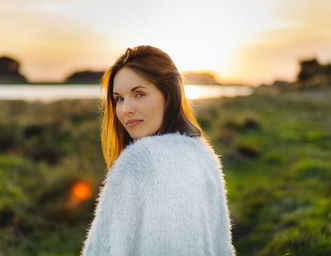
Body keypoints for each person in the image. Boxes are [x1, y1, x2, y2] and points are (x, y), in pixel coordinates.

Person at [80, 45, 235, 256]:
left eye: (140, 94)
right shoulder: (203, 155)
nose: (126, 110)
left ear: (169, 95)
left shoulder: (138, 161)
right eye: (119, 99)